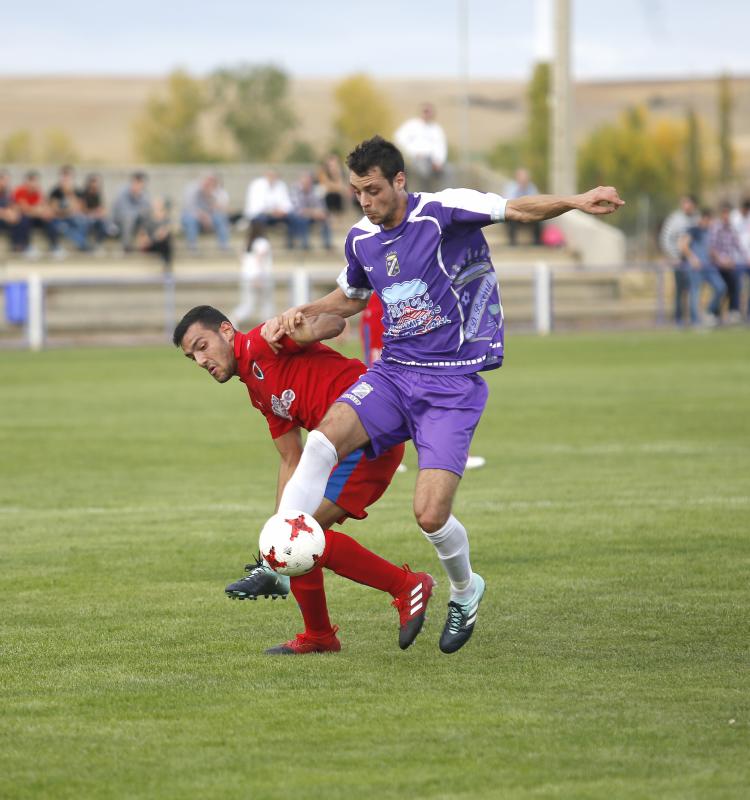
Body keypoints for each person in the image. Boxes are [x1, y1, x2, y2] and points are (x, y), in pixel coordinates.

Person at [268, 135, 623, 654]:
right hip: (393, 374)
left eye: (372, 190)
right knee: (323, 442)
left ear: (399, 181)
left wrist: (572, 201)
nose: (365, 201)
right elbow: (349, 297)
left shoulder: (442, 210)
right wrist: (302, 311)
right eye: (356, 192)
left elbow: (515, 209)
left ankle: (464, 589)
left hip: (451, 383)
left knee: (430, 515)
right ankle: (280, 551)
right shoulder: (361, 238)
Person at [172, 304, 435, 655]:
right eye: (192, 357)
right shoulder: (256, 390)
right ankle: (319, 635)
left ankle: (406, 585)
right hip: (337, 452)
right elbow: (290, 458)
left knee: (303, 540)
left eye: (202, 346)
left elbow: (335, 322)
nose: (201, 361)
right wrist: (275, 528)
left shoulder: (266, 341)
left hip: (367, 439)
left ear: (226, 330)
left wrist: (300, 324)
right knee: (293, 537)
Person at [360, 293, 486, 471]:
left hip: (412, 311)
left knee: (431, 377)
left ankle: (450, 453)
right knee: (383, 384)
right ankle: (382, 454)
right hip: (381, 311)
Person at [679, 208, 726, 326]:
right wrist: (693, 258)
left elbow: (711, 249)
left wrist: (720, 259)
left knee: (721, 287)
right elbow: (683, 245)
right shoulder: (694, 230)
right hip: (696, 267)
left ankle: (708, 312)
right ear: (704, 219)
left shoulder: (711, 232)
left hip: (709, 266)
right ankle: (696, 322)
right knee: (695, 293)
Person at [660, 195, 699, 326]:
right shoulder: (675, 219)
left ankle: (694, 319)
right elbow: (665, 238)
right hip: (679, 260)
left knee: (693, 289)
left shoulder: (696, 219)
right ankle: (678, 319)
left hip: (693, 260)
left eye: (688, 203)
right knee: (680, 290)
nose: (686, 206)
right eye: (684, 203)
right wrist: (673, 257)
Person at [394, 103, 447, 193]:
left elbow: (440, 147)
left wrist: (438, 161)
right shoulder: (412, 125)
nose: (427, 114)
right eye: (425, 111)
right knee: (423, 171)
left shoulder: (436, 129)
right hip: (415, 159)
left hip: (431, 160)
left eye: (429, 112)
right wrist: (412, 153)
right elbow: (399, 138)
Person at [243, 169, 297, 249]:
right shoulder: (256, 185)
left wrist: (282, 211)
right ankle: (262, 245)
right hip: (260, 214)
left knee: (294, 217)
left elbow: (287, 203)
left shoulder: (281, 185)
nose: (272, 178)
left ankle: (291, 244)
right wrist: (272, 211)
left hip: (277, 214)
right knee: (259, 220)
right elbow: (256, 206)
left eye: (274, 176)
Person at [709, 202, 743, 324]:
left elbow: (738, 245)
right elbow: (712, 249)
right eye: (724, 213)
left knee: (734, 287)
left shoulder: (731, 228)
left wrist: (746, 258)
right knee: (720, 288)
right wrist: (722, 260)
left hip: (730, 265)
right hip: (718, 266)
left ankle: (733, 313)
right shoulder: (716, 228)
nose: (726, 216)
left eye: (728, 214)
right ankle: (713, 314)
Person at [181, 173, 231, 252]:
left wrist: (210, 195)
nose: (210, 184)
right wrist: (204, 216)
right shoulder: (192, 189)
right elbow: (191, 208)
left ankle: (224, 245)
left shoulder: (213, 191)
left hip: (208, 216)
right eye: (208, 181)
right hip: (192, 215)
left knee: (220, 218)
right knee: (191, 220)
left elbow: (217, 208)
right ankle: (192, 246)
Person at [11, 170, 57, 255]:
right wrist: (38, 210)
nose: (35, 184)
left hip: (35, 217)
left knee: (49, 219)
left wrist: (41, 211)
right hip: (23, 218)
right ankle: (26, 247)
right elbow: (24, 209)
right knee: (24, 220)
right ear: (27, 182)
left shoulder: (38, 192)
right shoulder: (20, 191)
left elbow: (44, 207)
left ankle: (54, 246)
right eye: (33, 181)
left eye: (36, 181)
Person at [48, 165, 89, 252]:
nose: (66, 179)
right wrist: (68, 209)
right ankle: (83, 244)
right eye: (64, 176)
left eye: (69, 176)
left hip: (72, 217)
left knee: (83, 221)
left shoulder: (77, 191)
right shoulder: (55, 192)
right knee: (63, 227)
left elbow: (80, 208)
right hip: (59, 219)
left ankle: (82, 244)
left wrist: (70, 194)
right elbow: (55, 209)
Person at [290, 172, 331, 250]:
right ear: (300, 182)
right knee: (302, 219)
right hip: (298, 216)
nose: (307, 184)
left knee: (325, 217)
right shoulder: (294, 190)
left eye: (308, 182)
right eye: (304, 182)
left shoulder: (315, 190)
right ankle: (305, 244)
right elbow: (298, 209)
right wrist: (313, 212)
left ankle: (327, 243)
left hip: (312, 215)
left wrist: (319, 213)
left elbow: (321, 206)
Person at [112, 172, 151, 251]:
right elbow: (123, 211)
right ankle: (126, 246)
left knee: (147, 217)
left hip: (136, 219)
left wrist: (138, 197)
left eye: (141, 184)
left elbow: (146, 208)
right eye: (138, 183)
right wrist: (138, 210)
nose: (140, 186)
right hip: (120, 220)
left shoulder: (144, 193)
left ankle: (145, 244)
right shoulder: (122, 192)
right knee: (129, 218)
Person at [504, 168, 542, 246]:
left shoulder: (531, 187)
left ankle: (537, 241)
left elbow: (536, 201)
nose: (524, 180)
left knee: (540, 218)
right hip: (514, 212)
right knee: (511, 218)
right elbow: (508, 202)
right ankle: (512, 241)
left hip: (528, 212)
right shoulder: (511, 187)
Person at [0, 170, 20, 248]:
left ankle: (19, 246)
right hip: (3, 217)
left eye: (7, 181)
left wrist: (14, 213)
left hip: (7, 218)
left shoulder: (8, 192)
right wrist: (5, 214)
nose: (6, 183)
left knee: (22, 219)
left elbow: (13, 204)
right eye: (4, 180)